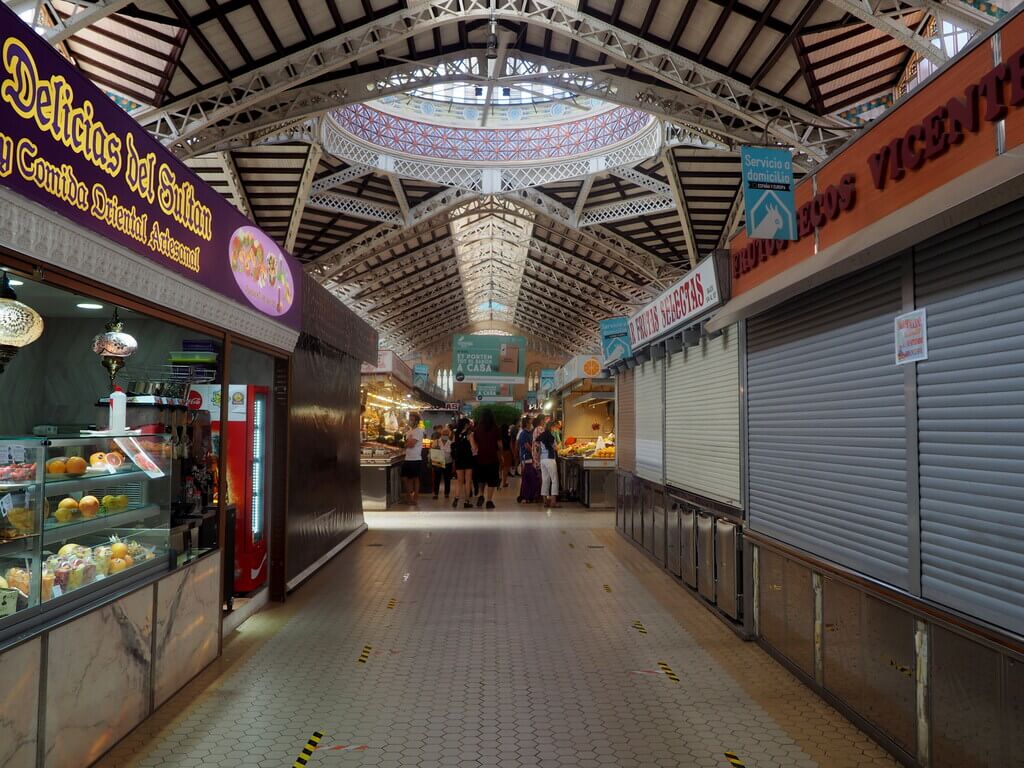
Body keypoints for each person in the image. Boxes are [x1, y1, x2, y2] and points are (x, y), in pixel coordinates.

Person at [471, 408, 501, 509]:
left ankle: (480, 494)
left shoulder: (477, 429)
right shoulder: (496, 428)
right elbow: (499, 444)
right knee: (492, 480)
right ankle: (489, 501)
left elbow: (474, 446)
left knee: (481, 479)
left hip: (480, 458)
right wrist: (500, 454)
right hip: (493, 458)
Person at [451, 418, 475, 509]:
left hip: (458, 458)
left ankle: (456, 498)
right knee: (468, 481)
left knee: (459, 480)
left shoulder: (456, 434)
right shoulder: (470, 434)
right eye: (469, 424)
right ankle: (466, 501)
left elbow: (453, 445)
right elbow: (473, 447)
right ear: (466, 424)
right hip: (468, 458)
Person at [536, 420, 560, 509]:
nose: (555, 429)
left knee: (545, 480)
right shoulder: (551, 436)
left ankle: (545, 501)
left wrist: (538, 460)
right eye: (554, 427)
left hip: (542, 459)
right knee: (554, 480)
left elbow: (538, 447)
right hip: (550, 459)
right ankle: (553, 501)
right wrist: (558, 447)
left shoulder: (541, 435)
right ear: (552, 427)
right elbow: (556, 448)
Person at [401, 412, 424, 507]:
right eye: (410, 419)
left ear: (416, 421)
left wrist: (404, 444)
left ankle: (415, 498)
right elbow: (407, 443)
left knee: (415, 478)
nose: (410, 421)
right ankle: (409, 497)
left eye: (412, 419)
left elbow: (411, 444)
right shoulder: (409, 431)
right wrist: (405, 443)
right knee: (405, 478)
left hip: (415, 458)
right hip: (408, 457)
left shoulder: (419, 431)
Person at [432, 426, 453, 500]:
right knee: (437, 478)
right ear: (441, 434)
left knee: (447, 478)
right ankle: (435, 493)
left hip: (448, 462)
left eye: (447, 434)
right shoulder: (437, 441)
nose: (445, 436)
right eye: (444, 434)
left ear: (449, 435)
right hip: (438, 461)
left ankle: (447, 493)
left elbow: (452, 453)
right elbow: (432, 450)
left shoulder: (451, 443)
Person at [499, 423, 515, 487]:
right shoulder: (509, 436)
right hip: (507, 452)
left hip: (500, 452)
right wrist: (513, 453)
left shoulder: (499, 436)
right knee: (506, 468)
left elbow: (499, 445)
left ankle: (499, 478)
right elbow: (511, 445)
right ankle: (504, 482)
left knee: (500, 466)